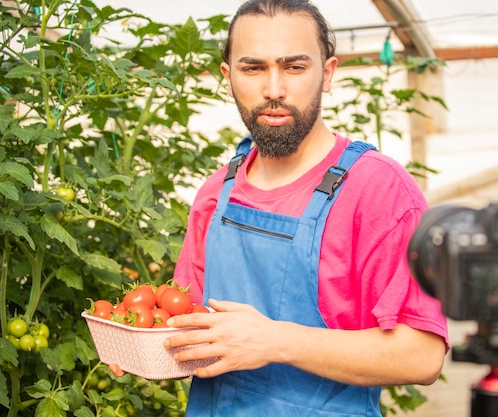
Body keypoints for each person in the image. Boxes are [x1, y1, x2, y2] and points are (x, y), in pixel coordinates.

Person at [160, 0, 448, 415]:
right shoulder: (214, 193)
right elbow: (190, 329)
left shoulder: (378, 190)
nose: (274, 89)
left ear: (327, 73)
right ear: (228, 77)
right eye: (253, 68)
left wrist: (275, 341)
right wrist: (146, 346)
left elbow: (421, 355)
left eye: (294, 67)